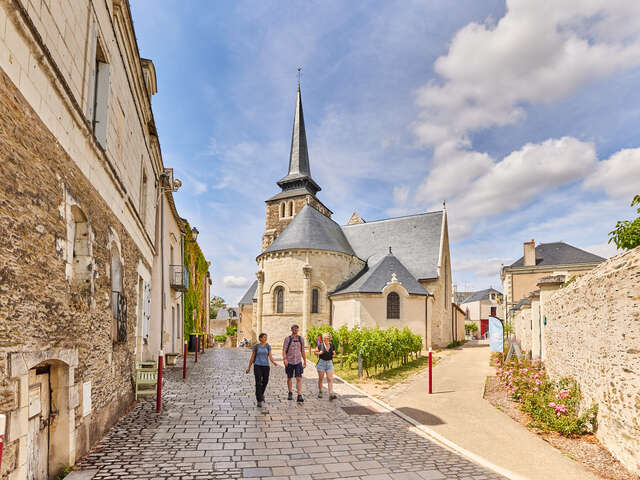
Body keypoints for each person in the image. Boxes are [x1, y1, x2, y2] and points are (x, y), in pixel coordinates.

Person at [245, 333, 277, 407]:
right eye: (264, 337)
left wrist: (273, 362)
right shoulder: (256, 346)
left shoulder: (268, 346)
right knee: (258, 382)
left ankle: (261, 394)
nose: (265, 338)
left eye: (266, 337)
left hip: (266, 366)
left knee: (265, 381)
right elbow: (252, 357)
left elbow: (270, 356)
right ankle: (259, 400)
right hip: (257, 366)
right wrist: (249, 367)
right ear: (260, 338)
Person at [282, 324, 306, 402]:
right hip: (289, 361)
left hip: (298, 361)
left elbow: (302, 351)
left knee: (299, 378)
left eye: (296, 329)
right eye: (294, 329)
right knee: (289, 378)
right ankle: (290, 392)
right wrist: (285, 359)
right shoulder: (287, 339)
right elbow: (284, 350)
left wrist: (305, 361)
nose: (295, 330)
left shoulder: (301, 339)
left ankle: (299, 395)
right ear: (291, 330)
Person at [314, 332, 337, 400]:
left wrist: (334, 354)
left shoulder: (332, 345)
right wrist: (319, 353)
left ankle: (331, 394)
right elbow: (315, 352)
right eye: (323, 338)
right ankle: (320, 391)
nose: (324, 339)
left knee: (330, 379)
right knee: (321, 379)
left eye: (325, 338)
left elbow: (334, 353)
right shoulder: (320, 345)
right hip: (321, 363)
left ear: (329, 338)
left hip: (329, 363)